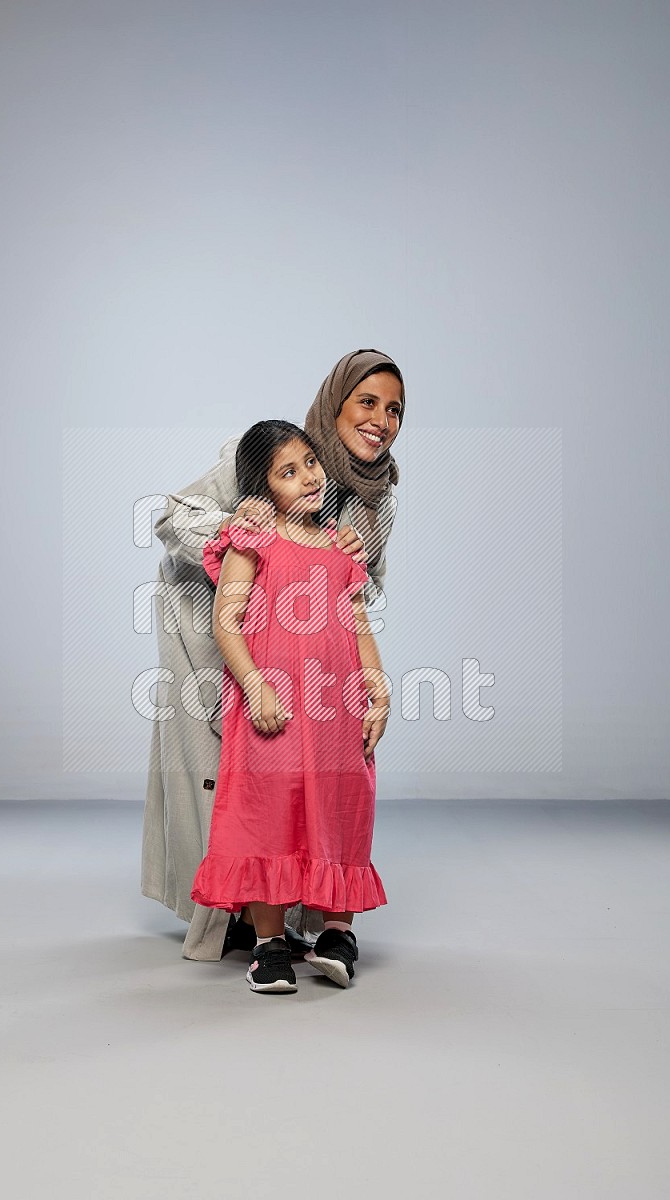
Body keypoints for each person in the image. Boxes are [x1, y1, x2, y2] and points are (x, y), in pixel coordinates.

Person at [141, 348, 405, 960]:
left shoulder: (376, 499)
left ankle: (315, 919)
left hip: (308, 645)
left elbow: (362, 588)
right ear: (334, 405)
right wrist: (251, 530)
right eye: (366, 403)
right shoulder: (268, 450)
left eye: (394, 410)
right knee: (232, 776)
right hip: (213, 621)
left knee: (309, 780)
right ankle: (235, 920)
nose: (381, 420)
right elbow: (171, 518)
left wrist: (334, 554)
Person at [191, 420, 390, 992]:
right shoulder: (252, 541)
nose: (308, 477)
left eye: (310, 462)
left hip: (338, 709)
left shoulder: (339, 546)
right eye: (288, 471)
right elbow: (225, 621)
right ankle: (269, 943)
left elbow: (358, 624)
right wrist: (254, 684)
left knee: (340, 806)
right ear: (262, 488)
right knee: (266, 813)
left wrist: (378, 689)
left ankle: (338, 935)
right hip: (272, 706)